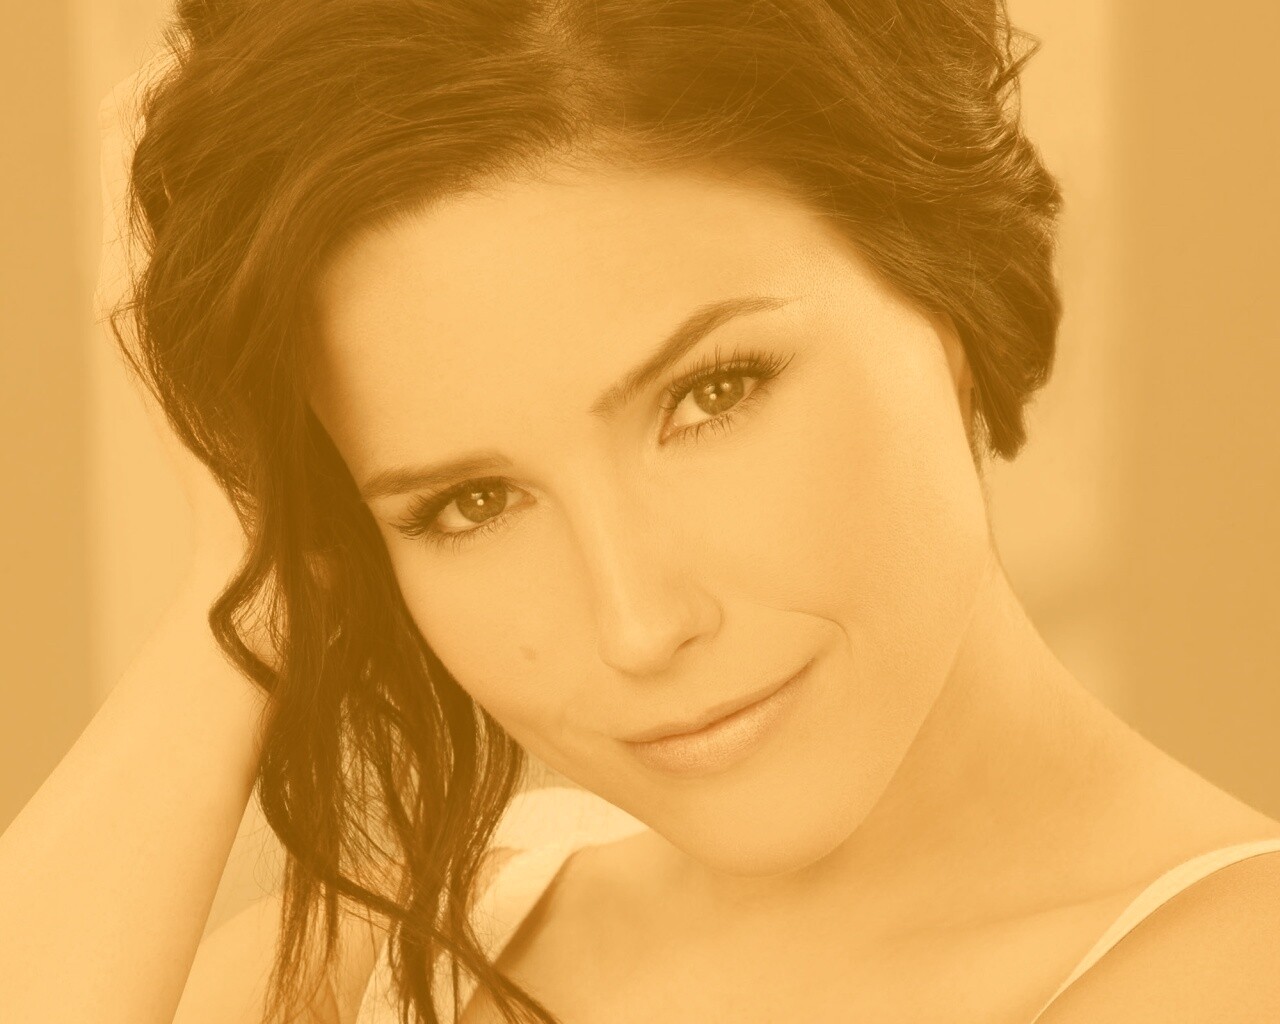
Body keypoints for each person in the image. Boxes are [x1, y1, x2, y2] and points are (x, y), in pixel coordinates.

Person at [3, 1, 1278, 1022]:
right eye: (468, 502)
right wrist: (248, 581)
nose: (635, 623)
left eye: (711, 394)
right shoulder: (388, 956)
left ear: (939, 275)